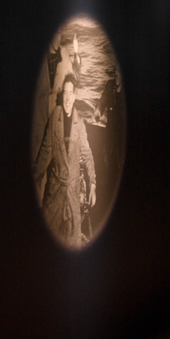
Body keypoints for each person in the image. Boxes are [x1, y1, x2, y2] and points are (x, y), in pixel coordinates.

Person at [32, 73, 97, 248]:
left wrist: (92, 185)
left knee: (73, 241)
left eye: (71, 94)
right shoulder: (55, 117)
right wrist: (36, 178)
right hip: (55, 188)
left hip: (73, 191)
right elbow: (46, 151)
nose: (67, 98)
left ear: (75, 96)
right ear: (63, 96)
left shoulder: (80, 123)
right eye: (65, 94)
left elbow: (88, 155)